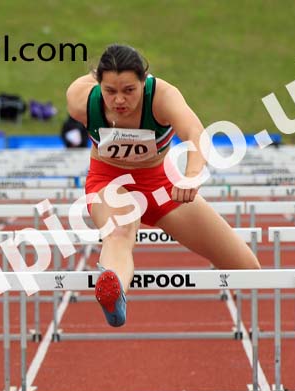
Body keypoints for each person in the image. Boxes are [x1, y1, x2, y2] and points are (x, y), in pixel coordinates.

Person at [66, 44, 260, 327]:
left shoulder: (163, 97)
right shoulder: (80, 99)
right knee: (119, 231)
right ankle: (114, 290)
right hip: (109, 182)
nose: (119, 100)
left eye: (129, 90)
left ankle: (115, 284)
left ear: (144, 82)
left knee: (247, 269)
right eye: (110, 91)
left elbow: (195, 133)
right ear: (98, 84)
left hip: (161, 185)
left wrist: (191, 175)